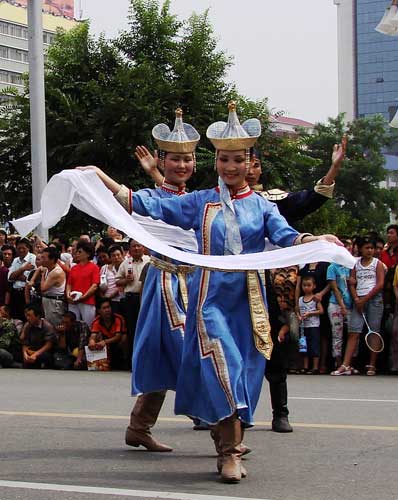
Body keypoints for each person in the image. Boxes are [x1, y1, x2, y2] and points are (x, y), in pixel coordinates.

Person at [83, 102, 341, 483]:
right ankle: (229, 453)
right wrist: (102, 177)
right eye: (223, 160)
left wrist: (313, 240)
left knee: (243, 376)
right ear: (216, 161)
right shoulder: (201, 202)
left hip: (248, 303)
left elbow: (286, 236)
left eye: (237, 160)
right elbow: (149, 205)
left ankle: (226, 439)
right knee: (224, 366)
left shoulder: (261, 207)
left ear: (250, 161)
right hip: (208, 302)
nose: (230, 167)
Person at [332, 237, 384, 376]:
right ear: (360, 249)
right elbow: (352, 282)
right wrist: (356, 298)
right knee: (353, 332)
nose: (370, 251)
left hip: (374, 300)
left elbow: (380, 284)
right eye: (367, 248)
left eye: (372, 248)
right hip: (358, 300)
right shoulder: (355, 263)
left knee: (374, 332)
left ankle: (372, 365)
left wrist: (365, 299)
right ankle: (345, 365)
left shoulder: (377, 264)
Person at [116, 239, 150, 349]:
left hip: (146, 298)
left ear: (143, 247)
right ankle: (133, 356)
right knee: (132, 328)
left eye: (138, 246)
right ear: (129, 249)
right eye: (133, 246)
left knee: (147, 326)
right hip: (130, 299)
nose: (136, 248)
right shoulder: (125, 263)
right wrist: (126, 280)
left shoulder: (149, 261)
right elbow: (117, 281)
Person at [66, 240, 99, 327]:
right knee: (72, 325)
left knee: (89, 325)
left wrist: (84, 297)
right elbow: (69, 284)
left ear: (88, 254)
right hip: (73, 301)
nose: (77, 254)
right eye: (77, 252)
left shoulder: (94, 267)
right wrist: (68, 295)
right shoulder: (74, 268)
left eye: (80, 252)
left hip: (87, 301)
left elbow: (94, 285)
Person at [327, 258, 353, 371]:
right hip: (336, 304)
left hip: (350, 304)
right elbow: (335, 288)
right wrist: (342, 306)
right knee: (337, 334)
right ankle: (338, 363)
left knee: (352, 334)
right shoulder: (332, 267)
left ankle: (349, 364)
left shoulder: (349, 267)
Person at [30, 247, 66, 327]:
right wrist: (32, 280)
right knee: (47, 325)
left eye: (44, 258)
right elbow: (39, 269)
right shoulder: (48, 267)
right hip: (47, 301)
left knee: (54, 326)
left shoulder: (56, 272)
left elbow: (43, 288)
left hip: (54, 303)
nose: (41, 260)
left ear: (52, 259)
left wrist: (43, 275)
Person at [88, 298, 128, 370]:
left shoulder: (118, 318)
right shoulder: (96, 321)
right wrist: (92, 342)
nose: (107, 310)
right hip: (104, 343)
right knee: (96, 337)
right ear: (99, 311)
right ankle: (100, 362)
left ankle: (125, 360)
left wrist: (105, 342)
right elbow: (93, 335)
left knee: (124, 338)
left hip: (116, 342)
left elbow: (118, 337)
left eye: (108, 307)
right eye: (104, 308)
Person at [297, 276, 323, 374]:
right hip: (303, 327)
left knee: (314, 345)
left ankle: (315, 367)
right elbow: (297, 311)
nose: (306, 287)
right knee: (304, 346)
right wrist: (299, 316)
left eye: (309, 285)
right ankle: (305, 366)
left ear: (314, 286)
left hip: (313, 326)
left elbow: (321, 311)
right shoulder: (300, 299)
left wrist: (310, 314)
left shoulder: (315, 299)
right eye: (304, 285)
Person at [7, 238, 36, 320]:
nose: (21, 250)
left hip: (27, 293)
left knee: (27, 318)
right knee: (15, 318)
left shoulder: (33, 258)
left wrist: (16, 275)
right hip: (15, 293)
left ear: (28, 248)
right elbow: (10, 277)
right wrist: (23, 269)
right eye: (19, 248)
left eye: (23, 248)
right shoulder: (16, 260)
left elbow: (29, 278)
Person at [20, 303, 56, 369]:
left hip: (43, 351)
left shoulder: (47, 326)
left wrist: (35, 354)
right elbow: (24, 343)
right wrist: (25, 354)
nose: (28, 318)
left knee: (45, 356)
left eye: (30, 316)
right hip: (31, 350)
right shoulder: (27, 325)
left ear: (38, 316)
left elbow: (48, 345)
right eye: (27, 315)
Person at [99, 245, 125, 315]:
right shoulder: (104, 268)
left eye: (118, 255)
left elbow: (122, 284)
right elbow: (99, 283)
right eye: (113, 256)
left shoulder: (126, 267)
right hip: (107, 301)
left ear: (122, 255)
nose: (116, 257)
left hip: (121, 299)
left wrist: (109, 297)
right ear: (110, 257)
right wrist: (103, 298)